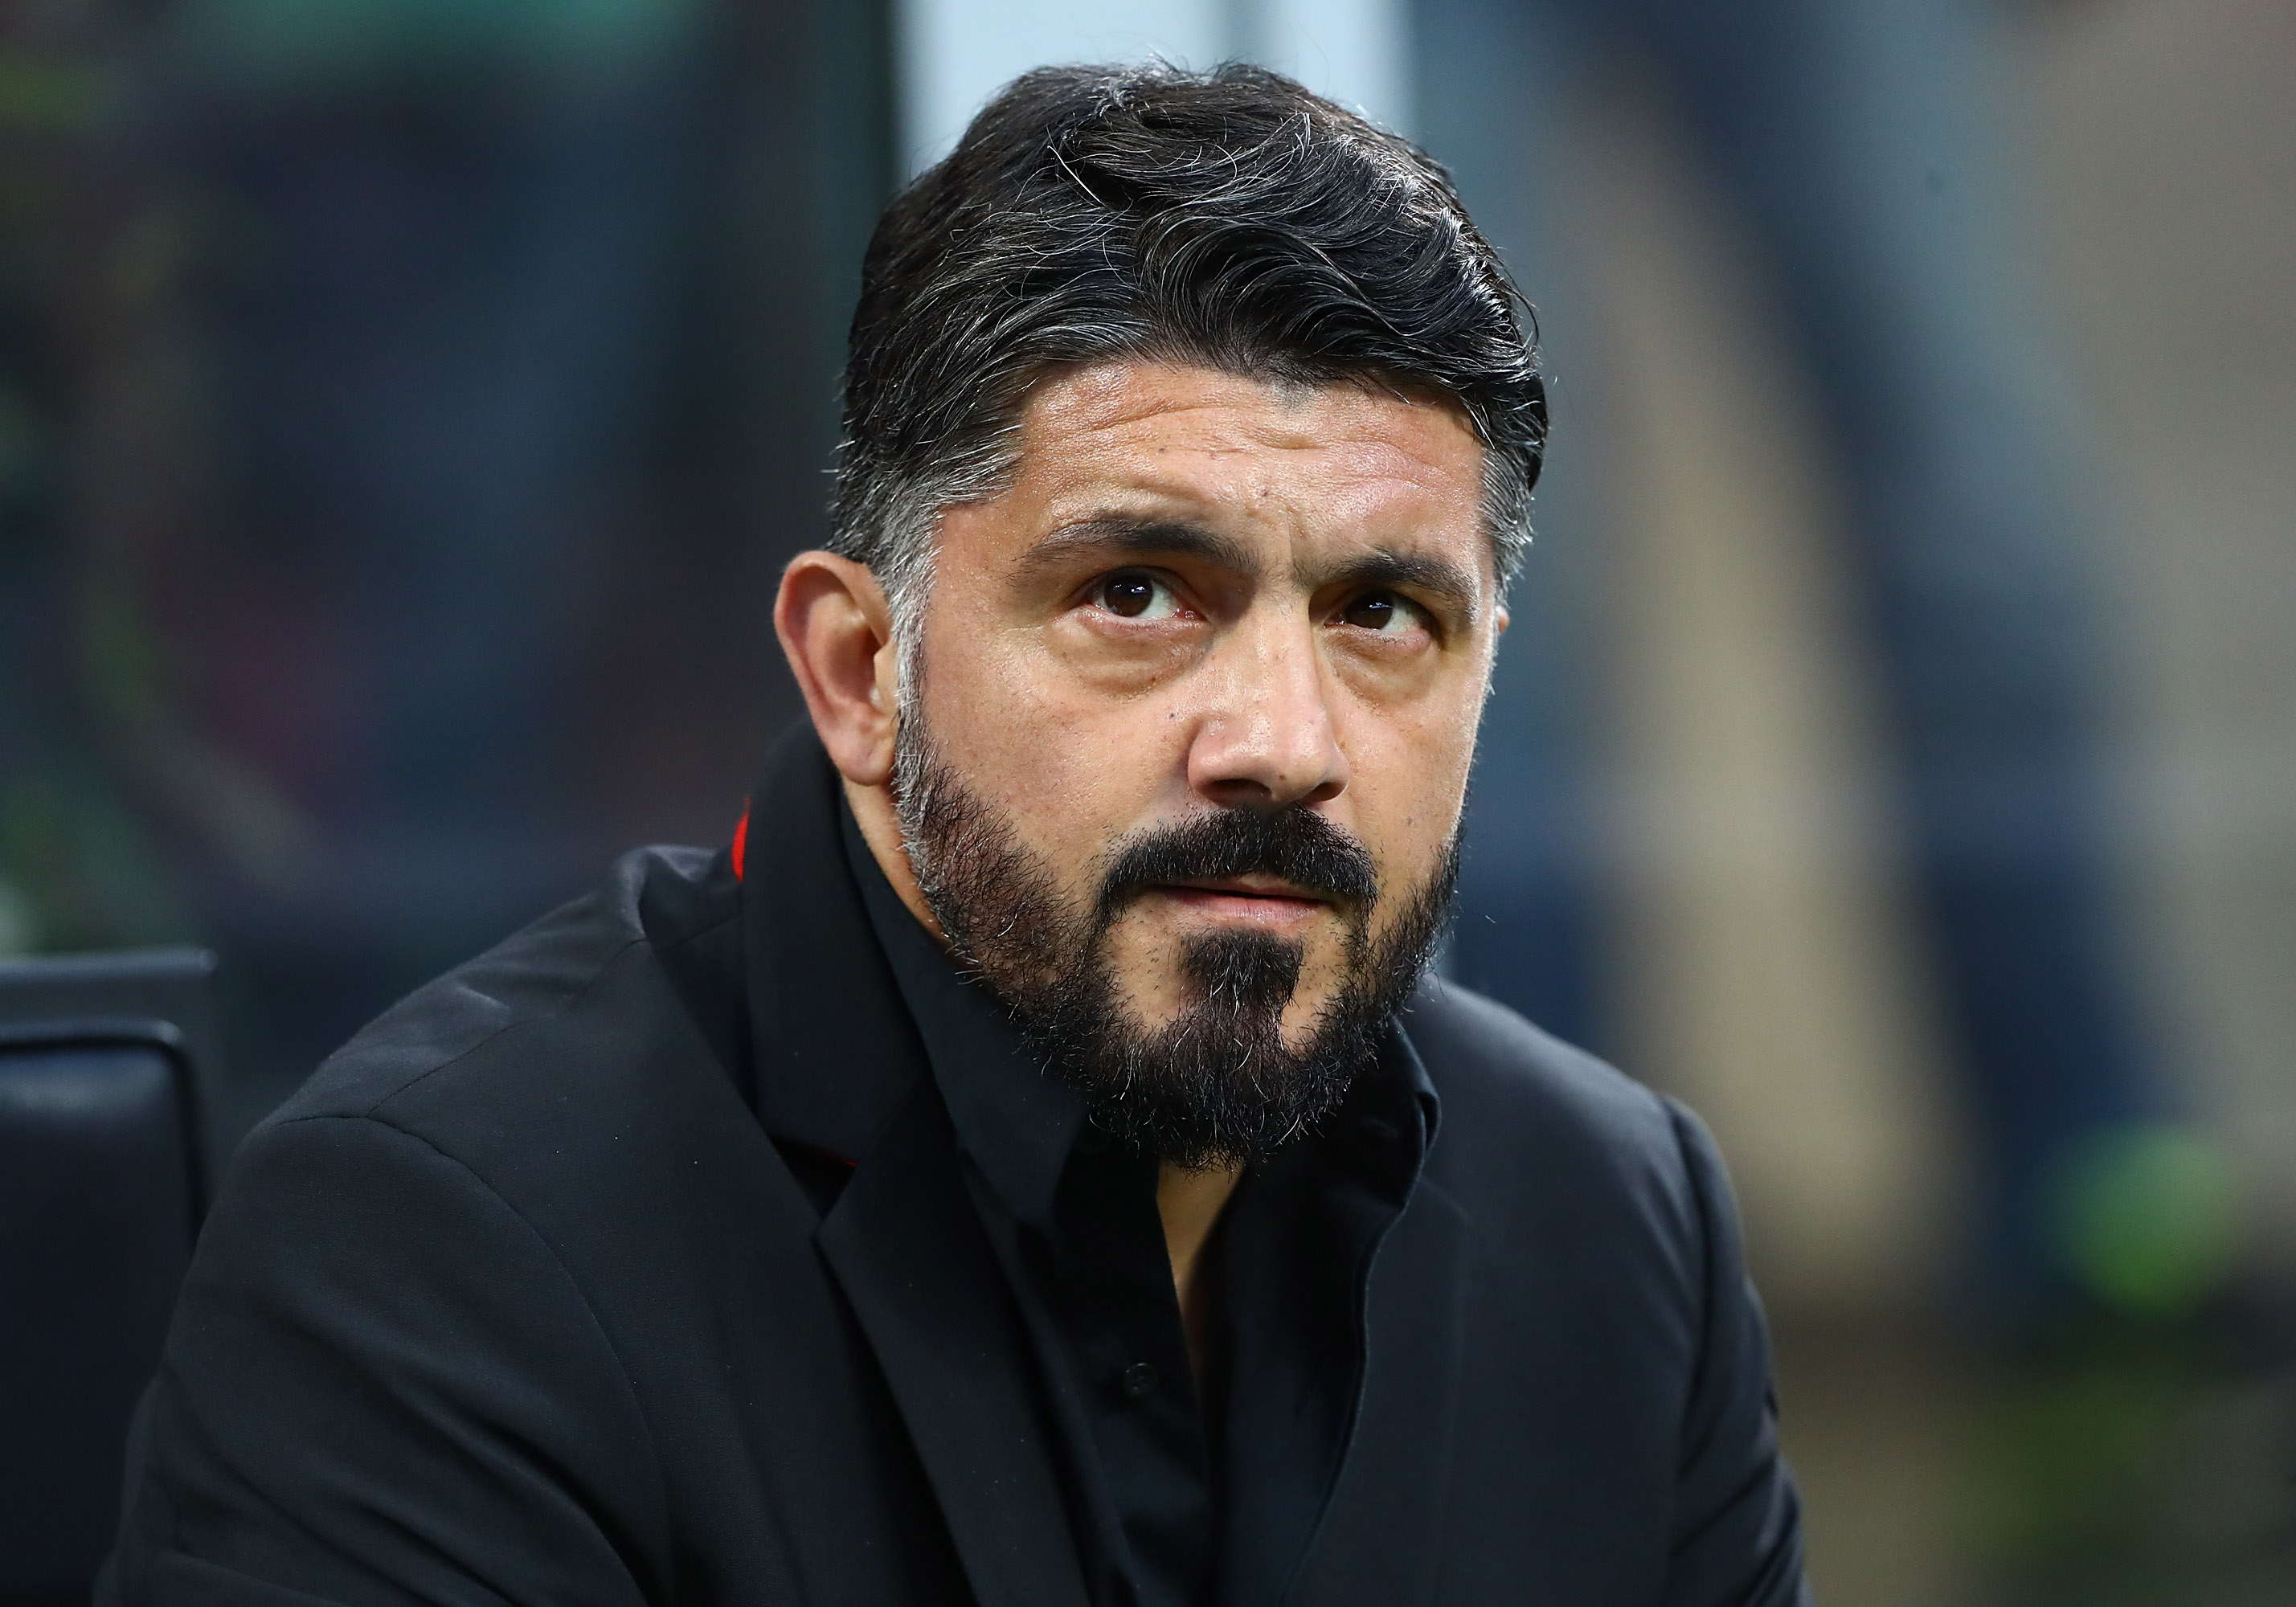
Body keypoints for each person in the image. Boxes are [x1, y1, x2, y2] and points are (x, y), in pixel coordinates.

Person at [104, 63, 1807, 1607]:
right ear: (862, 671)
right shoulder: (441, 1250)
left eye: (1381, 614)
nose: (1284, 745)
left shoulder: (1614, 1226)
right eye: (1137, 593)